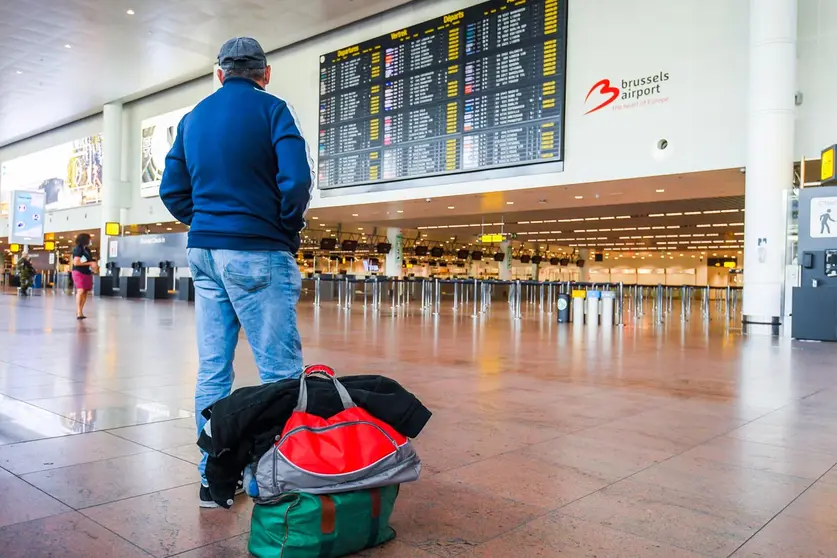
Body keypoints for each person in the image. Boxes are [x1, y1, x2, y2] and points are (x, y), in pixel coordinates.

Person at [159, 36, 314, 508]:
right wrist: (281, 227)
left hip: (204, 250)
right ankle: (271, 479)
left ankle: (213, 481)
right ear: (264, 74)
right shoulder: (274, 110)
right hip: (259, 250)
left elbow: (173, 189)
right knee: (281, 373)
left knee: (212, 370)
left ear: (220, 73)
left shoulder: (192, 119)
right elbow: (297, 181)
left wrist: (207, 220)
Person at [71, 233, 97, 319]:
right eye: (89, 239)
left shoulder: (87, 250)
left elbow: (88, 261)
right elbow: (76, 262)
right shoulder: (78, 249)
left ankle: (81, 310)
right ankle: (78, 311)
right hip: (79, 272)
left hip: (86, 272)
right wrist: (90, 263)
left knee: (85, 291)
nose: (90, 241)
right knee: (81, 290)